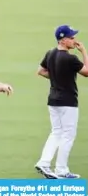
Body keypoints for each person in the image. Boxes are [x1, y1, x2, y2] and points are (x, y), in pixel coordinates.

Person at [35, 25, 88, 179]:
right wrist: (84, 51)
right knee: (68, 135)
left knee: (56, 132)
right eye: (71, 38)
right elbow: (87, 72)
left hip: (53, 100)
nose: (74, 40)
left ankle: (44, 163)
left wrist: (56, 77)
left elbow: (41, 71)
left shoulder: (50, 53)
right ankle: (61, 170)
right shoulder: (70, 58)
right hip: (68, 101)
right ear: (63, 40)